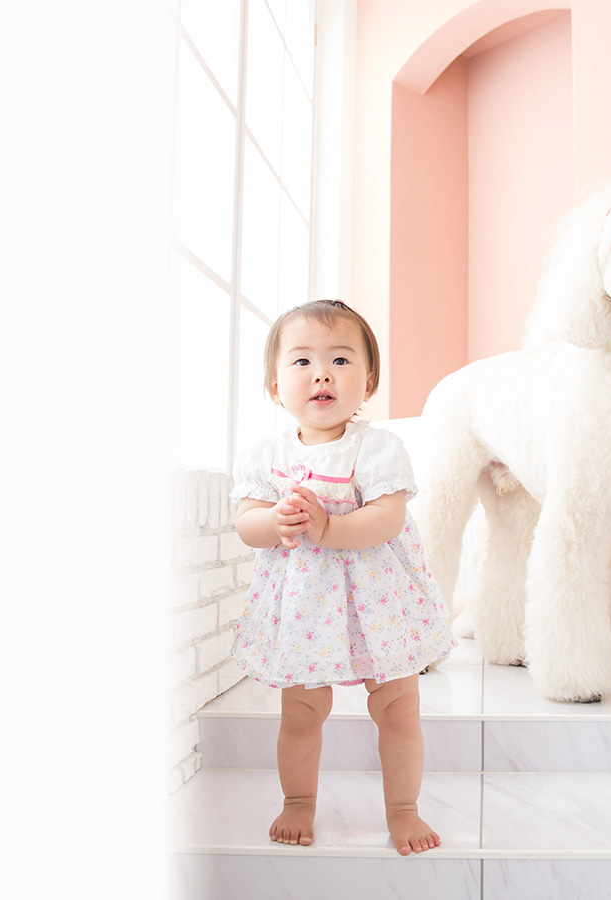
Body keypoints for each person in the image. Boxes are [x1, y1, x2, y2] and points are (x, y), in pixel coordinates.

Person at [228, 299, 454, 854]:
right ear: (274, 385)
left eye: (341, 360)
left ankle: (403, 808)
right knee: (302, 711)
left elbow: (387, 518)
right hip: (306, 611)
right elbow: (246, 524)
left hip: (378, 604)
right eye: (301, 361)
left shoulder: (377, 448)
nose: (322, 373)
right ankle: (297, 800)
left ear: (368, 381)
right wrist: (271, 521)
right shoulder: (266, 455)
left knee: (397, 705)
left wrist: (327, 528)